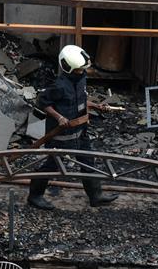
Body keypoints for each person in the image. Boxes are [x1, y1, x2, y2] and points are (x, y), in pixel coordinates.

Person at [27, 45, 119, 210]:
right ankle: (34, 196)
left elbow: (81, 100)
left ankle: (95, 196)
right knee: (52, 165)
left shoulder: (81, 79)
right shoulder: (59, 86)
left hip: (80, 131)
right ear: (67, 67)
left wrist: (97, 106)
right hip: (61, 136)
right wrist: (59, 117)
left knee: (88, 162)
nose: (81, 72)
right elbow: (43, 103)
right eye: (77, 70)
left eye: (82, 69)